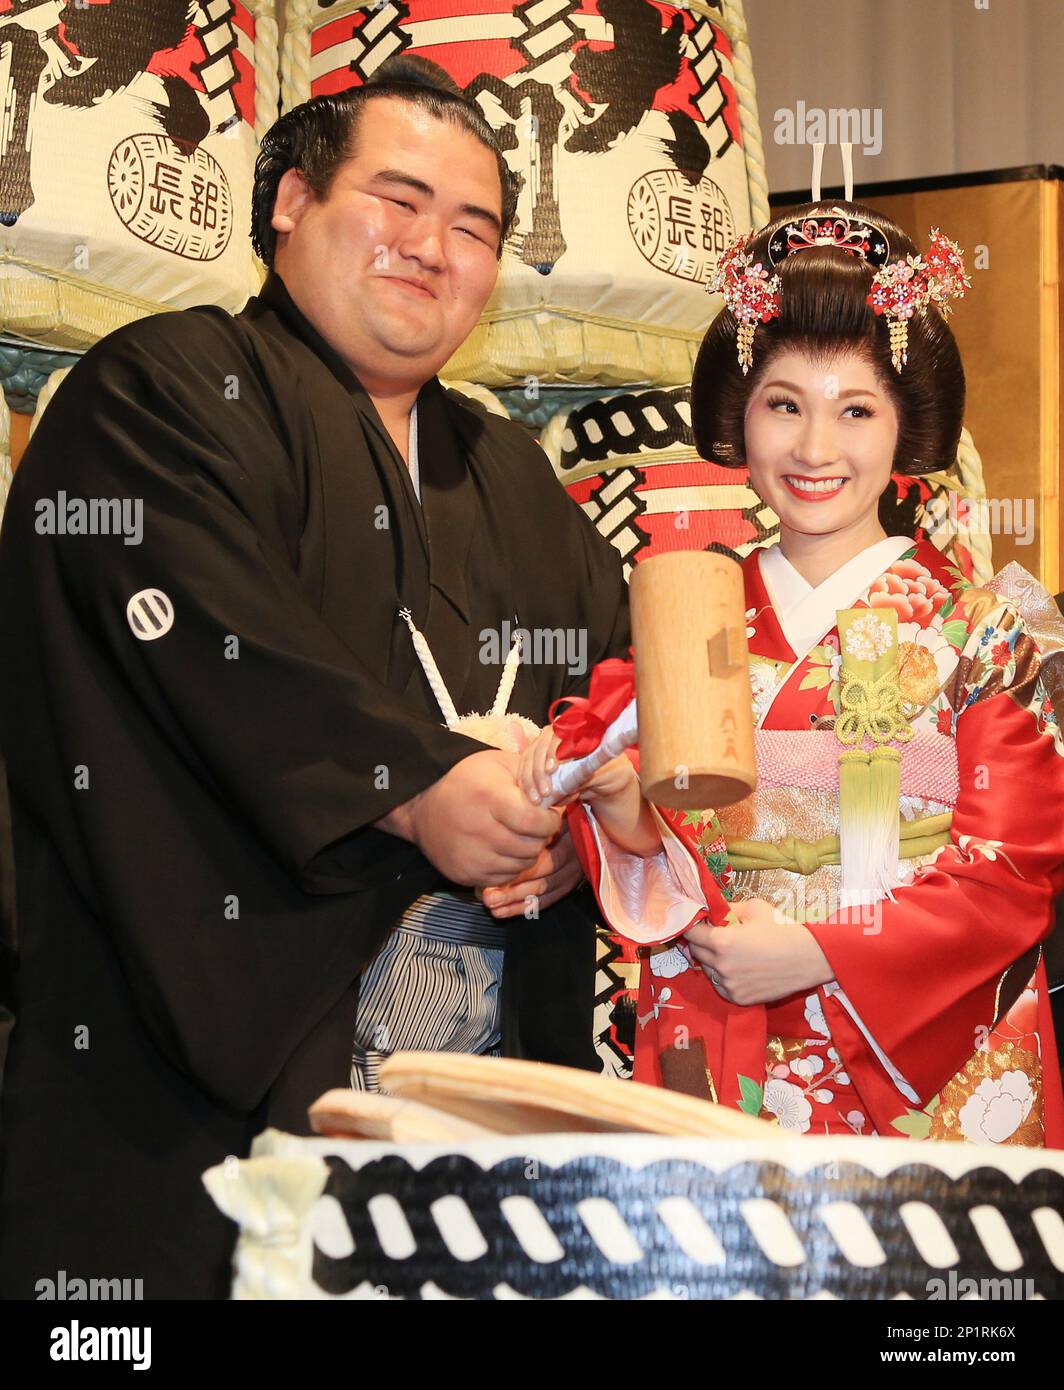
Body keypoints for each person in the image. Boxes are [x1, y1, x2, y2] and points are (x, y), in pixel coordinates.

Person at [0, 58, 628, 1299]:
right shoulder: (155, 392)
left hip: (462, 1097)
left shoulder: (507, 469)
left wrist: (573, 839)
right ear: (289, 201)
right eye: (397, 202)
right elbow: (222, 649)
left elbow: (607, 694)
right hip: (186, 1085)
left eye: (473, 227)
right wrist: (417, 786)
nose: (432, 248)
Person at [521, 201, 1064, 1146]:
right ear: (741, 414)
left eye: (855, 410)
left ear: (907, 430)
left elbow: (1008, 872)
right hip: (719, 1007)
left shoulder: (989, 628)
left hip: (926, 1058)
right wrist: (621, 814)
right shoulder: (686, 611)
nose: (816, 451)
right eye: (784, 405)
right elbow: (668, 845)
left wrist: (817, 950)